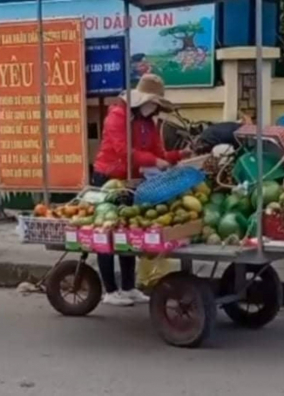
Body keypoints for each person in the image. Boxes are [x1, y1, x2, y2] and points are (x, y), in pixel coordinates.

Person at [93, 73, 191, 306]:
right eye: (153, 102)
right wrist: (154, 162)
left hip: (132, 183)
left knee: (127, 232)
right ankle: (110, 291)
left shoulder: (149, 123)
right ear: (142, 100)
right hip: (108, 178)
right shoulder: (117, 116)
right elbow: (122, 150)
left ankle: (128, 287)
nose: (155, 107)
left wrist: (178, 156)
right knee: (106, 230)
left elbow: (159, 155)